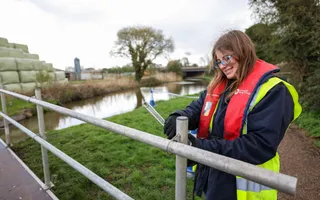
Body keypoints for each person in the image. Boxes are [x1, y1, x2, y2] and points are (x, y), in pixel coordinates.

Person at [163, 30, 302, 200]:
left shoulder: (275, 91)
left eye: (227, 58)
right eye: (219, 61)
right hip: (214, 178)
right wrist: (178, 117)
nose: (223, 65)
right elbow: (197, 109)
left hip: (245, 188)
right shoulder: (218, 86)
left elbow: (260, 145)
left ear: (244, 52)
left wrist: (201, 149)